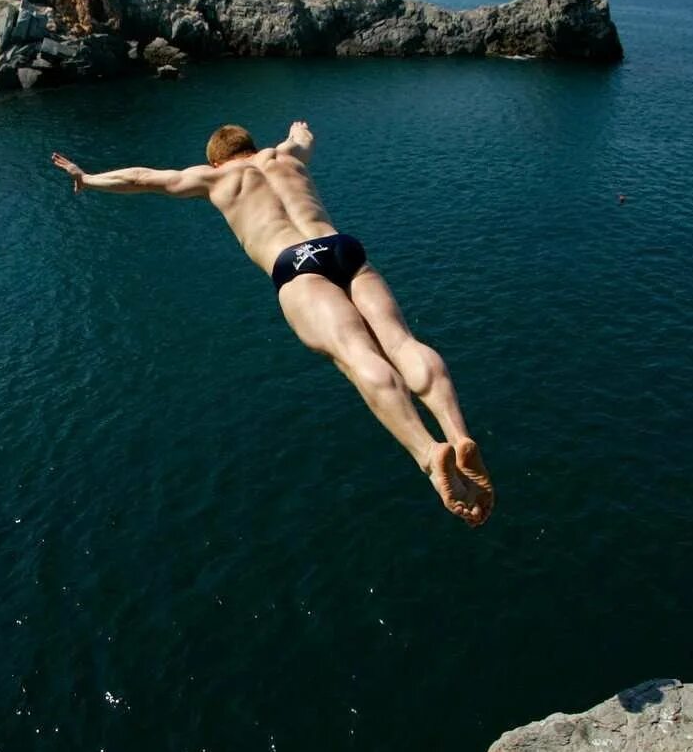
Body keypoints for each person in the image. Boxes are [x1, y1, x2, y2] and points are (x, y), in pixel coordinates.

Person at [50, 122, 494, 526]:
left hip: (295, 265)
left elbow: (146, 178)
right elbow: (305, 139)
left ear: (216, 160)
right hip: (340, 247)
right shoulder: (284, 157)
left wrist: (88, 178)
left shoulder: (215, 177)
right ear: (253, 147)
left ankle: (430, 454)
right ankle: (458, 433)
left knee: (358, 356)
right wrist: (297, 134)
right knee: (400, 342)